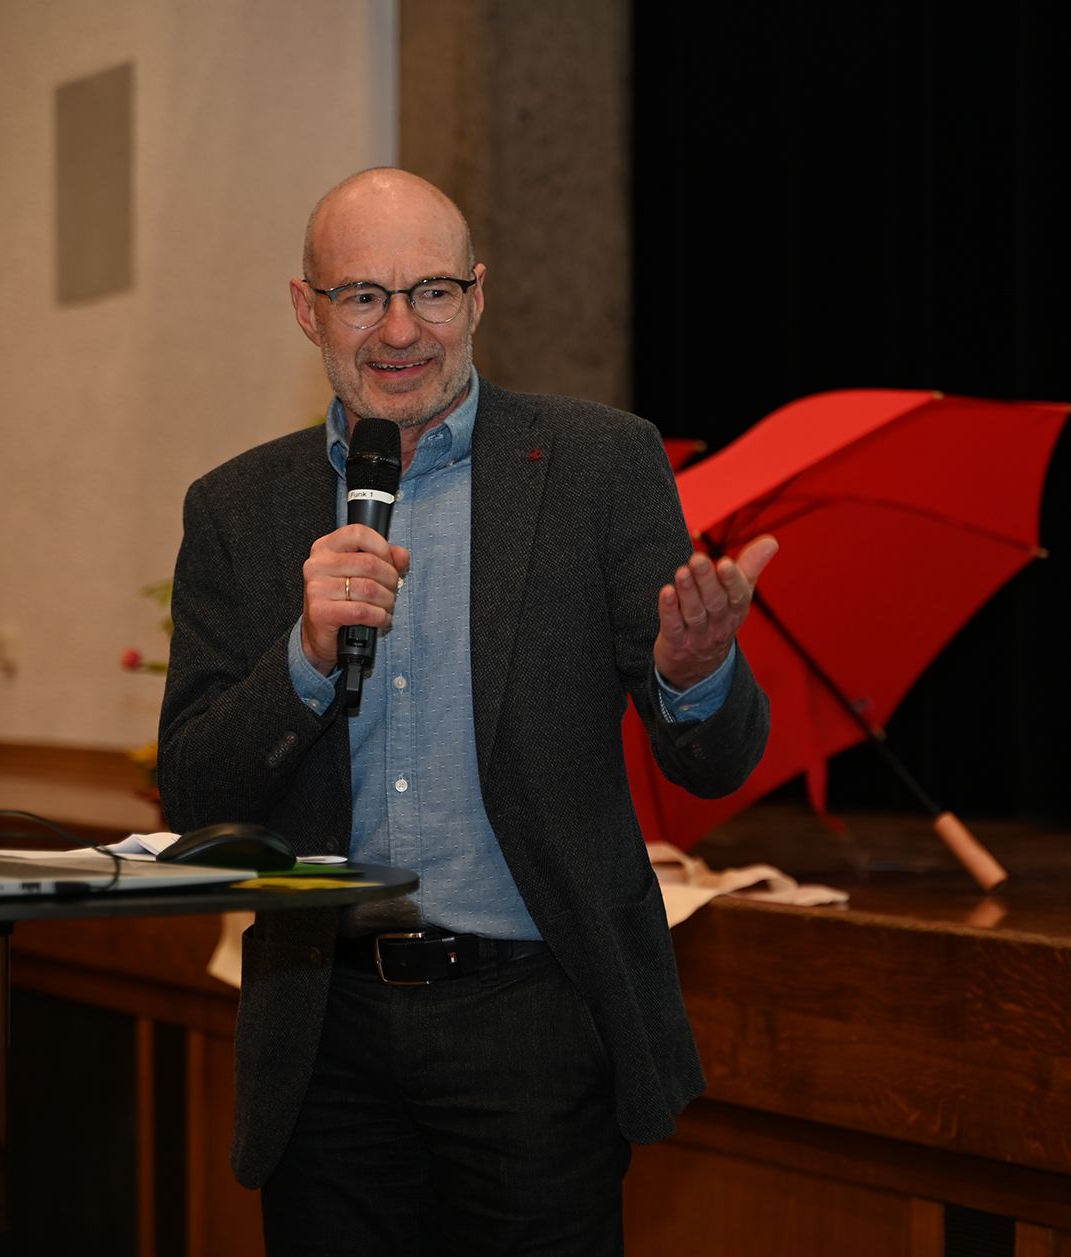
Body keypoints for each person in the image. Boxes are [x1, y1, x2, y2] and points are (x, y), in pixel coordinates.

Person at [157, 166, 777, 1255]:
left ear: (478, 297)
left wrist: (697, 670)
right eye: (362, 296)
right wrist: (303, 657)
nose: (402, 330)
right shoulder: (236, 510)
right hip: (326, 1035)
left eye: (432, 292)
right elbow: (197, 792)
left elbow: (713, 764)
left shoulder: (599, 465)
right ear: (309, 310)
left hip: (533, 1020)